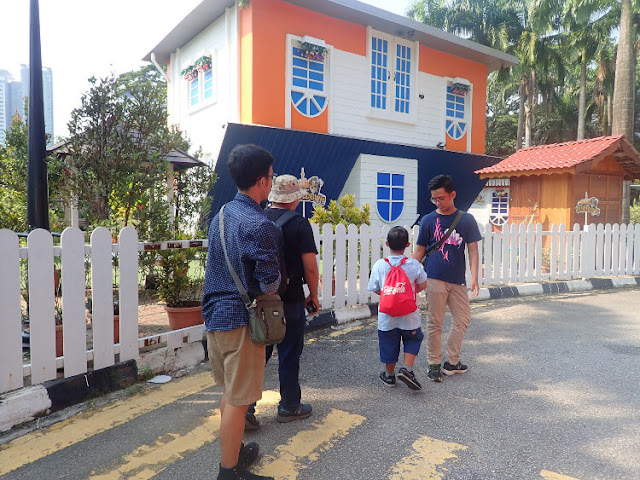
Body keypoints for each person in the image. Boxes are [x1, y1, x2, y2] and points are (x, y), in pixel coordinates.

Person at [202, 144, 280, 480]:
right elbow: (269, 283)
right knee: (237, 400)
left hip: (216, 317)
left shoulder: (220, 216)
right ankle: (228, 472)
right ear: (262, 180)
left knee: (229, 393)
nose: (272, 182)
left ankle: (233, 455)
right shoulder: (258, 223)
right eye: (271, 177)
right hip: (242, 321)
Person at [246, 174, 320, 429]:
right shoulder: (300, 224)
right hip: (291, 300)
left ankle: (244, 408)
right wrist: (314, 295)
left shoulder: (258, 218)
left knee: (258, 354)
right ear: (294, 200)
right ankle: (289, 405)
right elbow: (310, 267)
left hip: (262, 300)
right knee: (289, 353)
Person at [412, 174, 481, 383]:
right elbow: (419, 250)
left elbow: (473, 250)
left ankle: (452, 361)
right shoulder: (428, 220)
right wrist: (411, 275)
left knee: (462, 319)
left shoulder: (466, 220)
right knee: (435, 323)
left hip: (457, 280)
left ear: (452, 195)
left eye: (441, 198)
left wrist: (475, 277)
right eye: (434, 199)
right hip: (433, 278)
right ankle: (434, 364)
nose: (438, 202)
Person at [368, 226, 427, 390]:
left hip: (387, 316)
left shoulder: (380, 265)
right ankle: (407, 369)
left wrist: (389, 295)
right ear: (408, 245)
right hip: (410, 316)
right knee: (413, 339)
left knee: (388, 343)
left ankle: (389, 376)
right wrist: (406, 293)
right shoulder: (414, 264)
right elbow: (422, 284)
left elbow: (374, 287)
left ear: (387, 244)